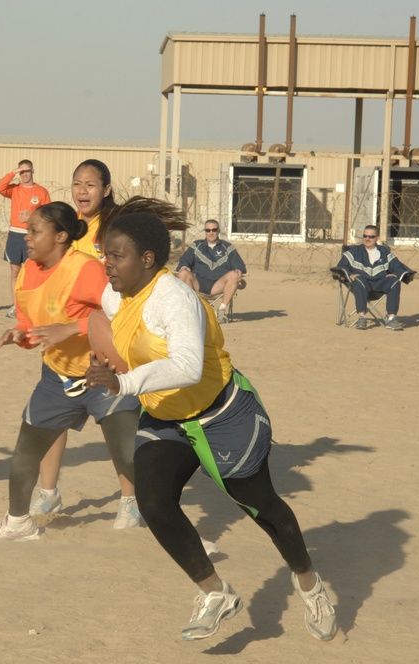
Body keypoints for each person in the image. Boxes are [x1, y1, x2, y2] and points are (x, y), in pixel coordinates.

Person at [84, 200, 337, 643]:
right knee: (154, 501)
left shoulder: (174, 298)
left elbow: (187, 366)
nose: (107, 264)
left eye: (116, 256)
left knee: (263, 509)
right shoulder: (116, 294)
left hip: (222, 414)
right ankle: (215, 593)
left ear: (147, 260)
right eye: (105, 255)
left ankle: (310, 585)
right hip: (167, 416)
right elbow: (92, 308)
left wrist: (122, 383)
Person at [0, 202, 142, 541]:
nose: (28, 237)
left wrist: (73, 328)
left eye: (36, 231)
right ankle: (18, 522)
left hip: (103, 372)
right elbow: (30, 321)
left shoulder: (85, 269)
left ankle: (132, 502)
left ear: (62, 236)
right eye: (28, 230)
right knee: (25, 452)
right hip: (57, 376)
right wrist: (21, 334)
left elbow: (120, 313)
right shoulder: (27, 271)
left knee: (127, 454)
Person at [28, 159, 123, 521]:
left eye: (91, 185)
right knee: (51, 420)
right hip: (62, 346)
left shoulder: (114, 231)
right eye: (77, 184)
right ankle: (48, 492)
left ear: (107, 190)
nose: (82, 191)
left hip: (102, 344)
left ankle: (130, 501)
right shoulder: (66, 227)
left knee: (117, 426)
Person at [0, 160, 51, 318]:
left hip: (32, 235)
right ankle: (16, 306)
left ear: (33, 171)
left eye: (27, 171)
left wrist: (31, 217)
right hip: (14, 234)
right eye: (22, 172)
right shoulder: (14, 190)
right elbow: (0, 187)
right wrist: (13, 172)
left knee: (32, 272)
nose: (25, 174)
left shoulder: (41, 192)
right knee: (15, 272)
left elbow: (48, 214)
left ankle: (31, 306)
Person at [336, 225, 414, 331]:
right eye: (365, 236)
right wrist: (350, 275)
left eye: (371, 236)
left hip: (379, 284)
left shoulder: (384, 252)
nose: (367, 239)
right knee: (359, 279)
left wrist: (396, 274)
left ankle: (391, 319)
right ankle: (361, 317)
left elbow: (398, 266)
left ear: (377, 238)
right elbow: (341, 267)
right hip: (362, 285)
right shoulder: (354, 252)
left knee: (394, 281)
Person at [176, 220, 246, 324]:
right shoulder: (196, 246)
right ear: (205, 231)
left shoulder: (227, 247)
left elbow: (239, 265)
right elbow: (183, 261)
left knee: (234, 275)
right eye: (208, 230)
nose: (211, 232)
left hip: (217, 286)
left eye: (214, 230)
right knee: (182, 273)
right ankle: (190, 311)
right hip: (197, 284)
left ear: (219, 231)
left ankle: (221, 311)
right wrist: (184, 266)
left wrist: (239, 270)